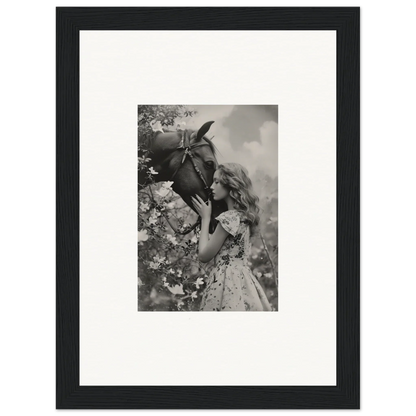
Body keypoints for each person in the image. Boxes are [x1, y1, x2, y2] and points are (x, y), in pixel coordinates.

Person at [191, 163, 273, 311]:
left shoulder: (228, 219)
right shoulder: (244, 217)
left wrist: (205, 218)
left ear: (231, 185)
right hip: (243, 280)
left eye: (217, 182)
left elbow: (203, 256)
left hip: (224, 281)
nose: (211, 187)